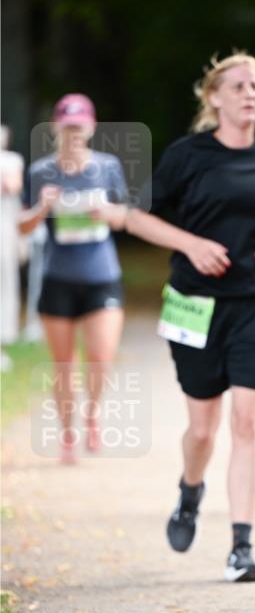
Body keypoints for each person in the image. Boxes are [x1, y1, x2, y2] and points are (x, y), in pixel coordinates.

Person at [139, 52, 255, 582]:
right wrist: (192, 245)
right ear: (214, 97)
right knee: (203, 429)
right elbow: (138, 216)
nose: (250, 94)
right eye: (238, 86)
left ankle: (242, 546)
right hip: (194, 303)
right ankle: (190, 490)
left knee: (247, 421)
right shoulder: (187, 155)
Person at [19, 95, 128, 462]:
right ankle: (68, 433)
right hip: (59, 278)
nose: (73, 134)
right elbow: (21, 226)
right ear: (55, 129)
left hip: (102, 275)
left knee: (100, 357)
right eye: (67, 128)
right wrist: (43, 207)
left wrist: (107, 213)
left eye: (79, 127)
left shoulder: (108, 166)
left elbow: (123, 215)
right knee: (63, 365)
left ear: (91, 127)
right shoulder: (40, 172)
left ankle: (92, 413)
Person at [0, 125, 24, 369]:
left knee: (6, 286)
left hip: (5, 232)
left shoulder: (10, 161)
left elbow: (12, 186)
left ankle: (3, 341)